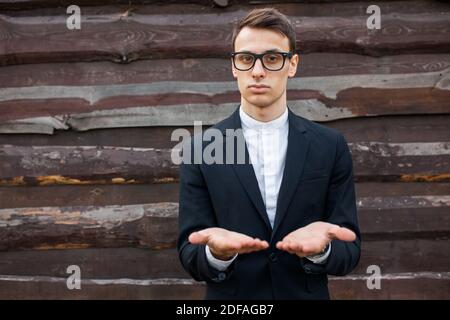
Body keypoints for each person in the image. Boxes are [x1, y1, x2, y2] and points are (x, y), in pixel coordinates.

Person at [177, 8, 360, 299]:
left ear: (293, 64)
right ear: (234, 66)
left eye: (272, 58)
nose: (258, 71)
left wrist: (323, 250)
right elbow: (190, 252)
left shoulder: (329, 145)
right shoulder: (202, 149)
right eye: (246, 58)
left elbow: (349, 248)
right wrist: (217, 253)